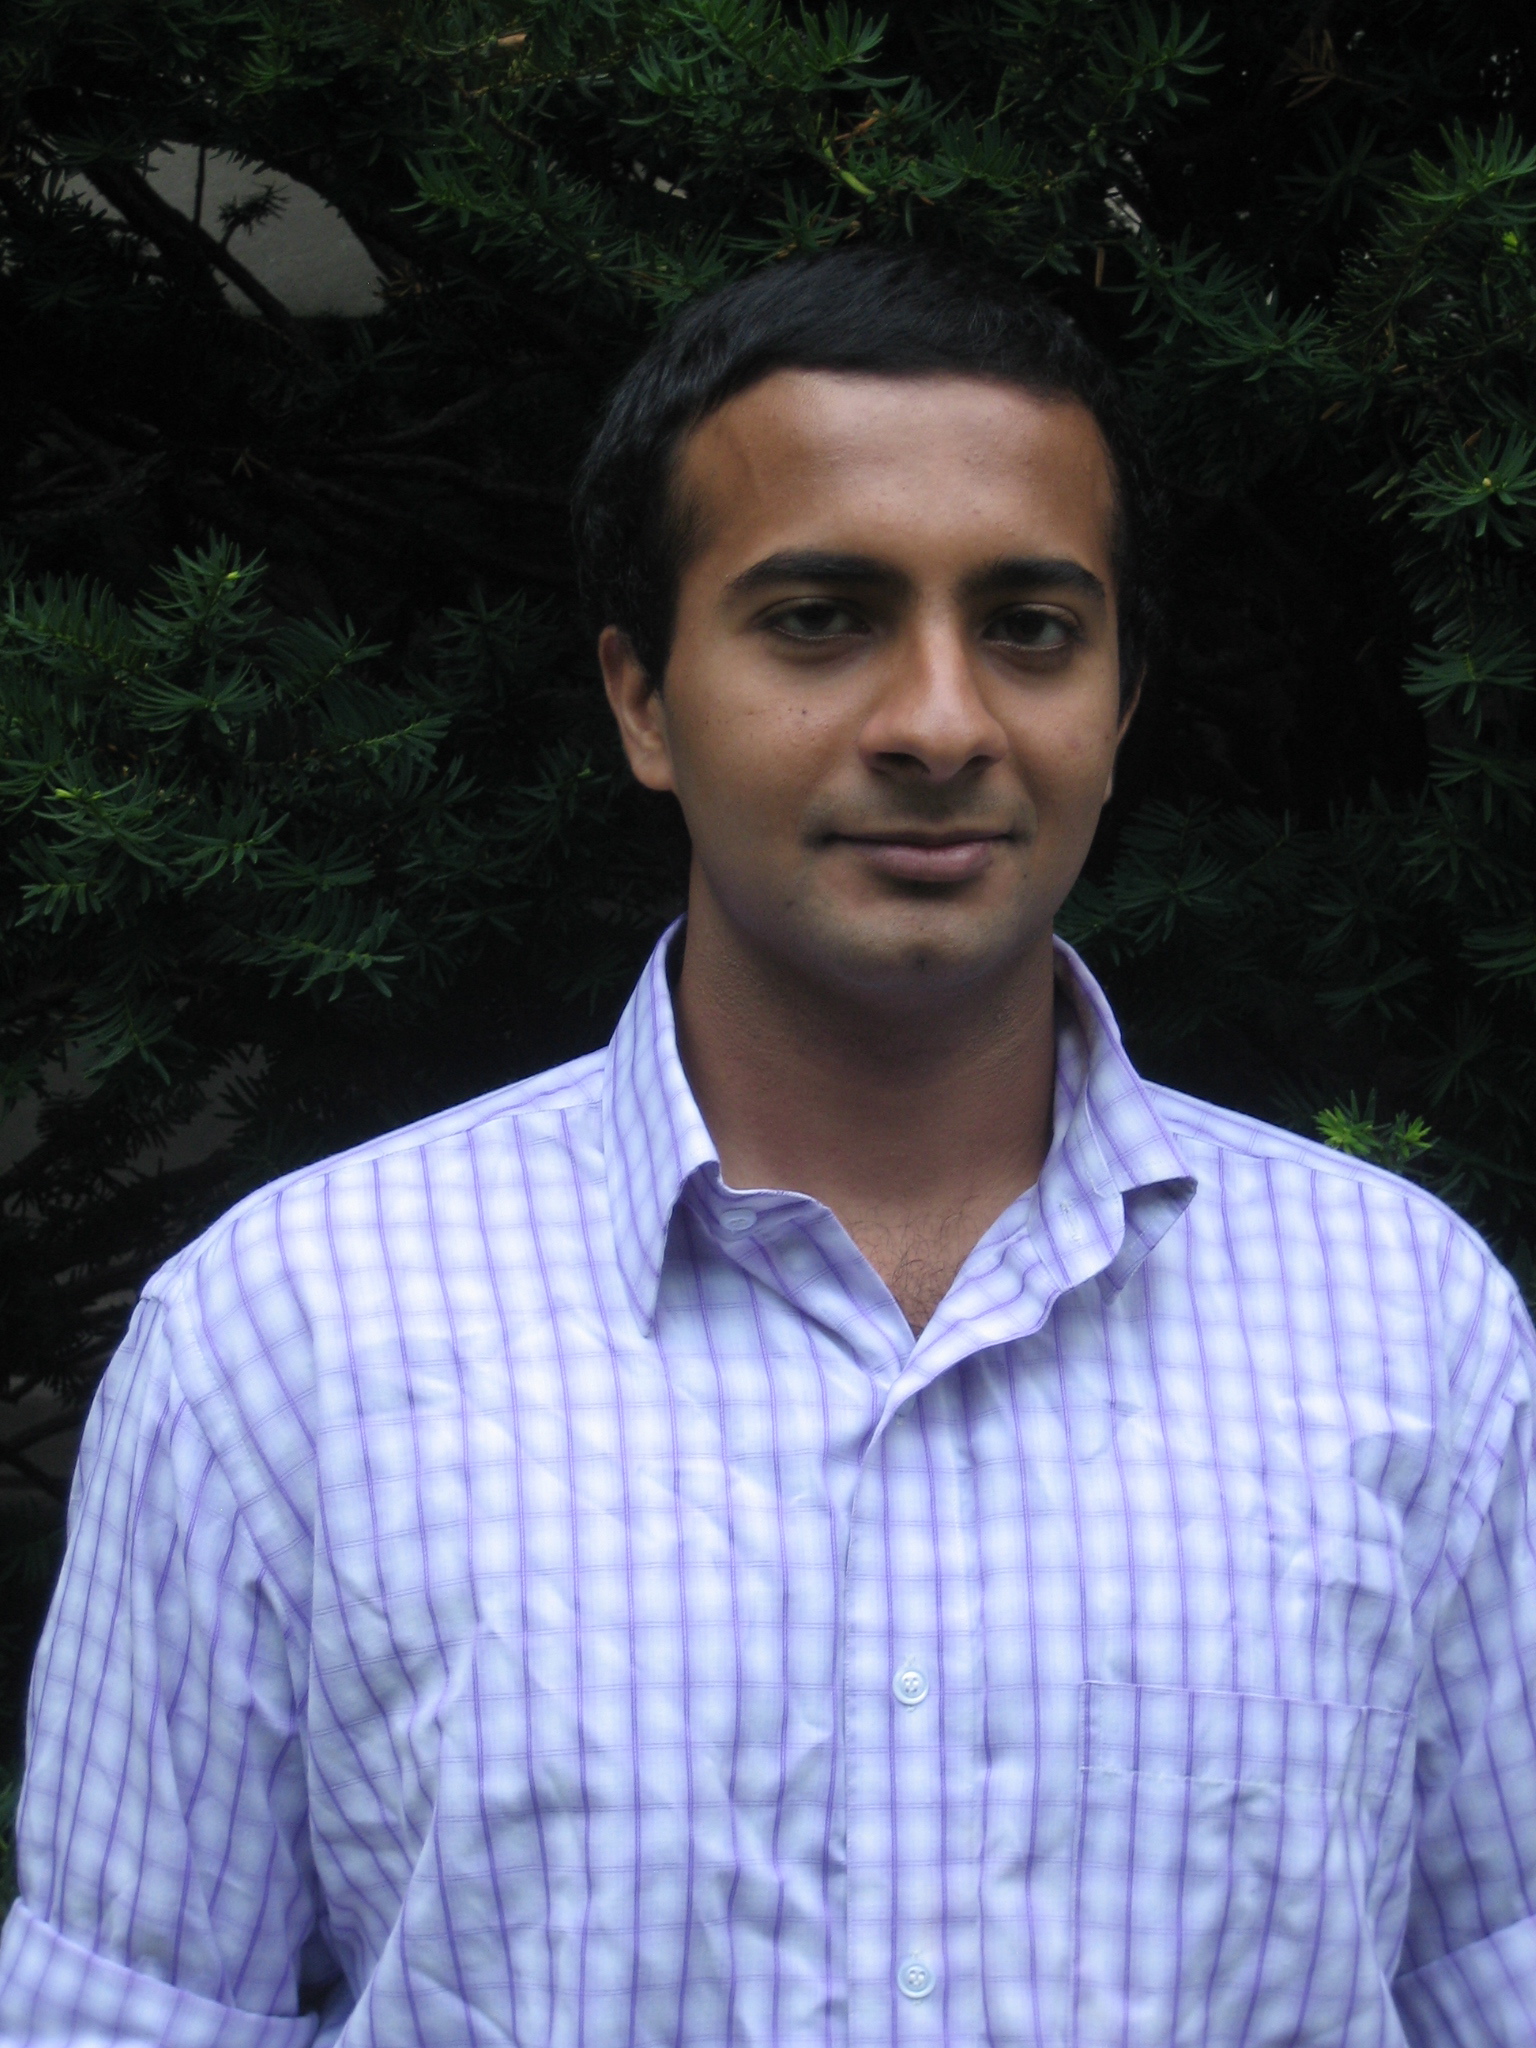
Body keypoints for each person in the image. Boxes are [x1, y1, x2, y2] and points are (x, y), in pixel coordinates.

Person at [0, 247, 1531, 2048]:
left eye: (1032, 628)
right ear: (643, 700)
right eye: (820, 618)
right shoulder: (286, 1335)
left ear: (1119, 704)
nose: (941, 722)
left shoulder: (1405, 1321)